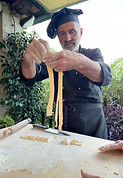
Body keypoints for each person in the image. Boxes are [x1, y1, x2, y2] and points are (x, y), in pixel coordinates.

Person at [19, 7, 112, 139]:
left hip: (92, 125)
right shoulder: (55, 59)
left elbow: (105, 76)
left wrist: (77, 61)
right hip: (63, 123)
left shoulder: (93, 53)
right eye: (62, 33)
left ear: (80, 32)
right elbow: (30, 77)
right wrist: (28, 59)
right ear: (58, 36)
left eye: (72, 31)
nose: (67, 38)